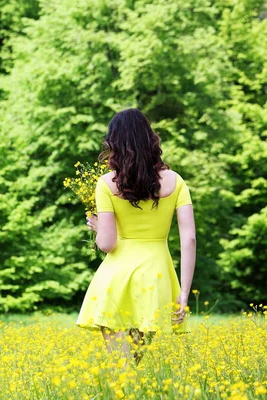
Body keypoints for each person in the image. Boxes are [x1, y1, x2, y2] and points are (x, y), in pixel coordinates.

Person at [75, 108, 197, 365]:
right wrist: (184, 291)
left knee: (120, 367)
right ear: (150, 139)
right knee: (134, 364)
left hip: (117, 277)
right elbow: (189, 239)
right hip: (155, 276)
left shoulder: (107, 183)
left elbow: (107, 244)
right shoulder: (176, 182)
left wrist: (99, 230)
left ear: (114, 142)